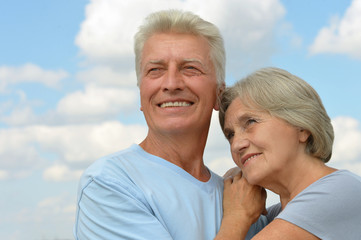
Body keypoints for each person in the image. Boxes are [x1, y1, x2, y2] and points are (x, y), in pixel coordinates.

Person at [74, 9, 268, 240]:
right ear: (141, 95)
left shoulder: (243, 197)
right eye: (155, 70)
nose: (171, 83)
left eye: (190, 68)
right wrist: (237, 221)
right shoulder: (109, 183)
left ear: (219, 94)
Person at [218, 67, 361, 239]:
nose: (236, 145)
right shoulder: (278, 215)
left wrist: (236, 218)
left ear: (302, 127)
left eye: (250, 121)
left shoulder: (338, 193)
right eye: (230, 135)